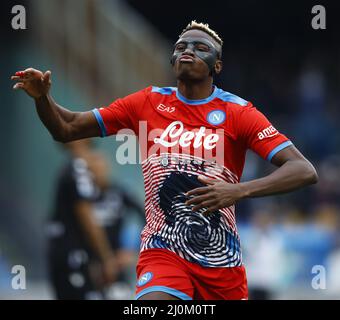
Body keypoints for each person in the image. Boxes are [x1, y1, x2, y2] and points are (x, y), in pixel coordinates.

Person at [11, 21, 318, 300]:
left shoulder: (238, 112)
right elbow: (67, 128)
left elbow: (303, 170)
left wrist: (239, 190)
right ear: (173, 60)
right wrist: (43, 99)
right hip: (163, 251)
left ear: (217, 65)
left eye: (201, 48)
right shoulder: (147, 102)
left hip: (220, 260)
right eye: (181, 46)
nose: (188, 51)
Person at [46, 139, 143, 299]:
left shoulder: (119, 193)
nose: (99, 167)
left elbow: (147, 217)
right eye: (94, 162)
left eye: (103, 162)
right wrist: (104, 259)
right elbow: (87, 225)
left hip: (113, 265)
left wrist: (133, 252)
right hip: (89, 261)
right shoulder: (81, 186)